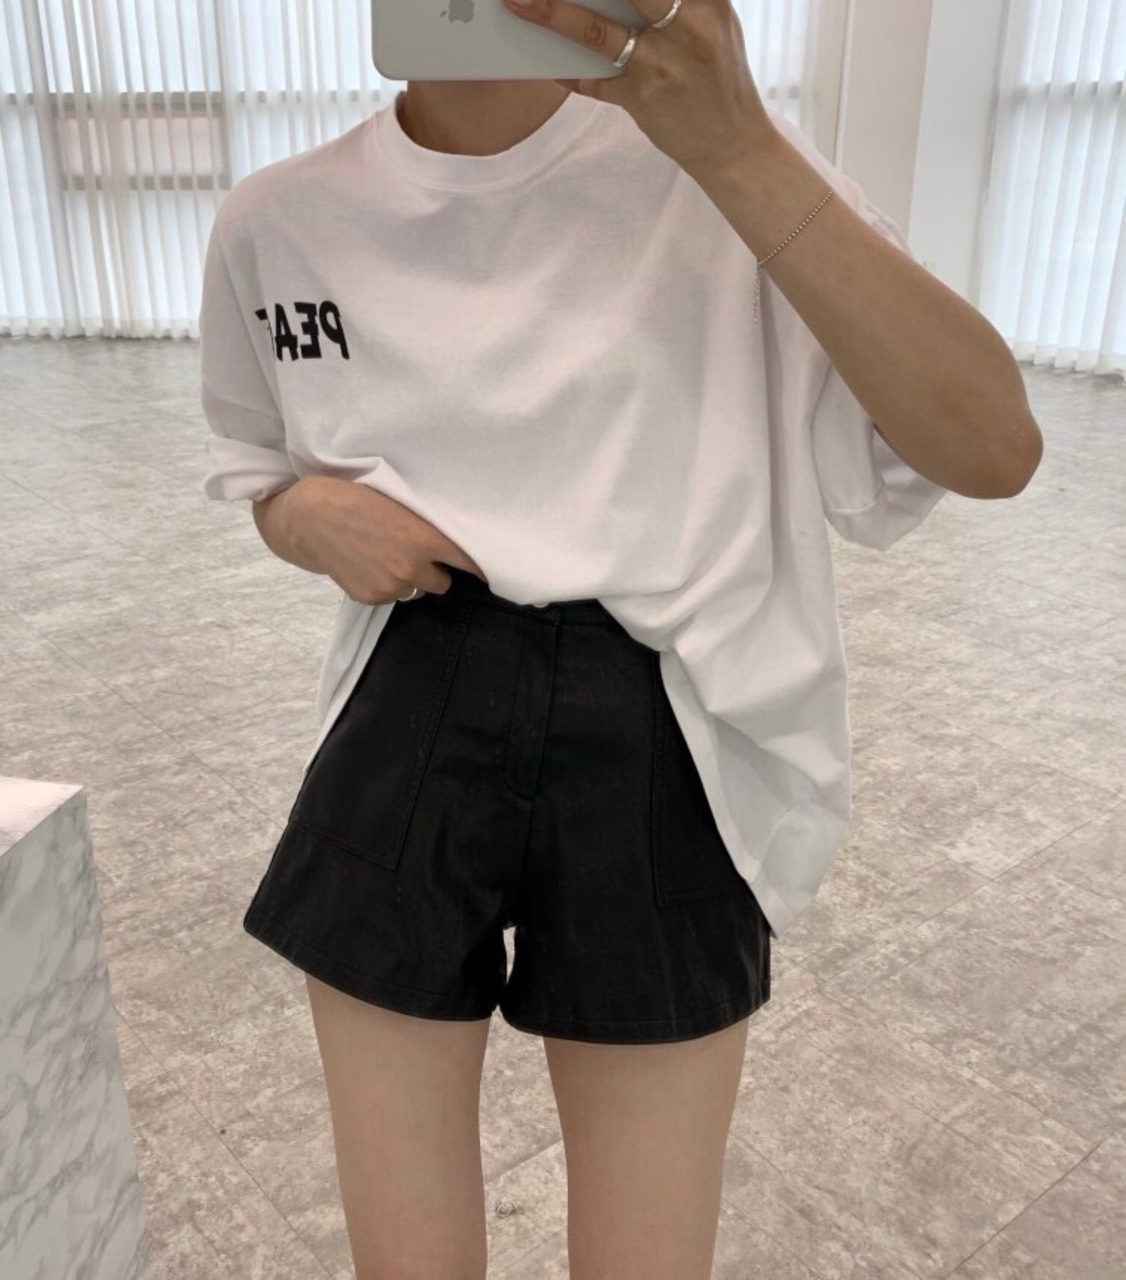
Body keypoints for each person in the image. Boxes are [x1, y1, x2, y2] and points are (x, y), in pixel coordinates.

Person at [198, 7, 948, 1277]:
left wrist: (743, 150)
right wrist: (300, 515)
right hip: (408, 692)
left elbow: (981, 446)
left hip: (664, 717)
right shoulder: (278, 218)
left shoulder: (718, 176)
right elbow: (257, 463)